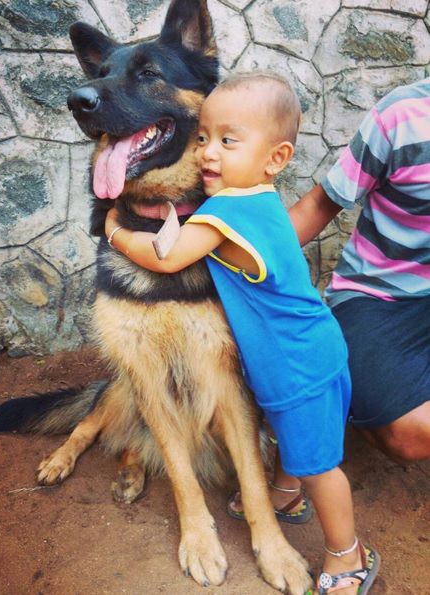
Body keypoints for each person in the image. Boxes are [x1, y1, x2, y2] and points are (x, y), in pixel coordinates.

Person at [104, 72, 379, 595]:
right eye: (203, 137)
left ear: (276, 158)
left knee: (319, 463)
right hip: (313, 350)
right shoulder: (260, 198)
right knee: (290, 437)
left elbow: (165, 257)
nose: (208, 153)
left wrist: (115, 231)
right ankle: (284, 493)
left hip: (297, 364)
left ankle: (349, 556)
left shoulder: (224, 212)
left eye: (229, 141)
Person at [289, 77, 430, 464]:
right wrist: (241, 256)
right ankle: (356, 400)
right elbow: (320, 204)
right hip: (379, 294)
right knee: (411, 434)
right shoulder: (402, 116)